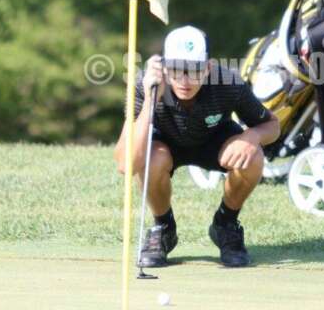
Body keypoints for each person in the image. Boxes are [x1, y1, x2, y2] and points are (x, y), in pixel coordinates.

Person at [114, 25, 280, 267]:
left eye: (194, 70)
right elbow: (125, 164)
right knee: (151, 158)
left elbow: (272, 125)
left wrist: (251, 137)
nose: (184, 80)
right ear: (164, 67)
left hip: (214, 140)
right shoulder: (145, 85)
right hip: (166, 145)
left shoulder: (228, 82)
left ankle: (226, 224)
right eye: (176, 70)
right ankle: (163, 228)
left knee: (253, 156)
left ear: (208, 68)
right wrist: (151, 99)